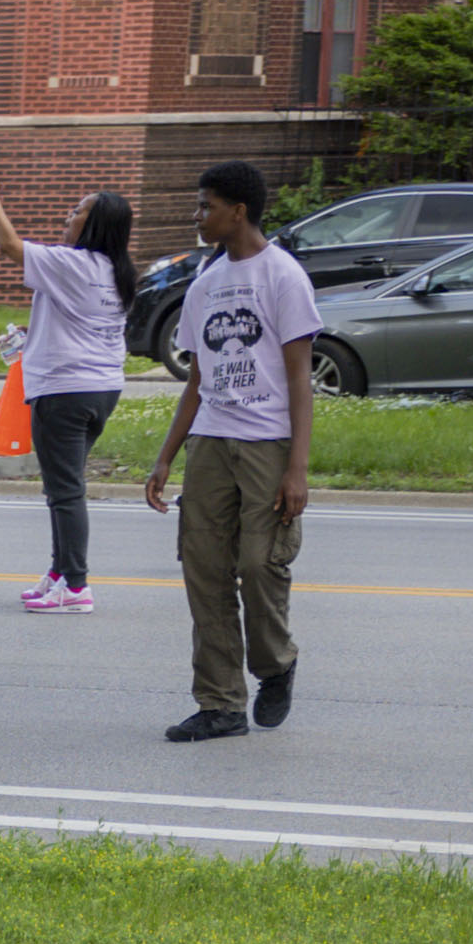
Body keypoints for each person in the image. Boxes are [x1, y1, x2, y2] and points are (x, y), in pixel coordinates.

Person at [135, 159, 317, 743]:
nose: (198, 216)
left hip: (268, 442)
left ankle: (276, 665)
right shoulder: (206, 283)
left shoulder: (282, 277)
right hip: (212, 440)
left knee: (259, 566)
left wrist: (297, 468)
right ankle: (220, 703)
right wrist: (167, 456)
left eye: (206, 206)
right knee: (205, 570)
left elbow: (299, 379)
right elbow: (196, 379)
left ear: (237, 212)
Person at [0, 161, 125, 611]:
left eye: (77, 211)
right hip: (101, 389)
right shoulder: (114, 269)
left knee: (65, 490)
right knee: (63, 485)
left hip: (63, 391)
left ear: (95, 224)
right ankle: (59, 572)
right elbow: (83, 323)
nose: (67, 216)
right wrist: (31, 334)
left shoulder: (70, 262)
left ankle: (76, 586)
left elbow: (7, 244)